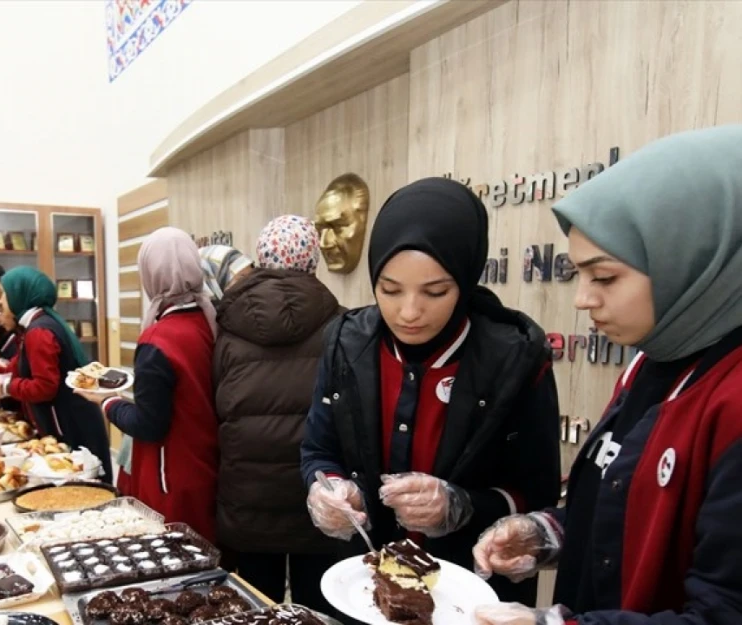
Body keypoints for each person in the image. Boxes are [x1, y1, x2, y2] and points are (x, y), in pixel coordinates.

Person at [472, 126, 742, 625]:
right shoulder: (651, 361)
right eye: (579, 274)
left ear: (694, 257)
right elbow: (623, 506)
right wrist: (549, 532)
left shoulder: (731, 399)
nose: (583, 299)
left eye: (606, 277)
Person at [300, 177, 562, 606]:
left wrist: (461, 505)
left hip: (469, 594)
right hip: (364, 588)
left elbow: (536, 494)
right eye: (389, 289)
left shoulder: (515, 358)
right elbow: (318, 448)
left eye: (435, 292)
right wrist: (328, 488)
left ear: (465, 277)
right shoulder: (347, 343)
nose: (408, 312)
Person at [213, 216, 342, 610]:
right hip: (316, 496)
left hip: (248, 496)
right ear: (313, 260)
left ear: (260, 258)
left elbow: (219, 404)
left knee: (254, 607)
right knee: (315, 609)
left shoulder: (229, 325)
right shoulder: (341, 323)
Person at [76, 227, 220, 542]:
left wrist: (106, 401)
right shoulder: (211, 323)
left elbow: (149, 424)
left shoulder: (159, 339)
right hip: (210, 467)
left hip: (170, 478)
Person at [0, 266, 112, 478]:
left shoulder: (39, 331)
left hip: (70, 424)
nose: (1, 303)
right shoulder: (37, 324)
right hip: (71, 419)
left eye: (5, 297)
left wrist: (5, 387)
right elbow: (19, 366)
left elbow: (45, 387)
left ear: (19, 296)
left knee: (84, 490)